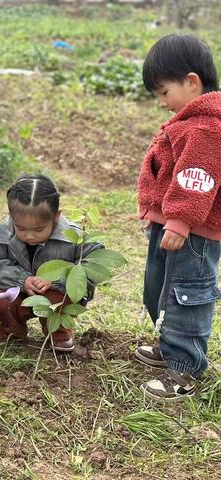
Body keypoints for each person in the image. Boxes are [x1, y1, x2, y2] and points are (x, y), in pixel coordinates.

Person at [135, 34, 221, 402]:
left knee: (189, 292)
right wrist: (156, 213)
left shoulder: (206, 128)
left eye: (164, 92)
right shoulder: (188, 121)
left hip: (194, 232)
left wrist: (181, 221)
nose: (162, 103)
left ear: (191, 82)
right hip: (173, 225)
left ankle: (184, 368)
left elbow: (195, 178)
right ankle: (171, 347)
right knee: (164, 285)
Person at [0, 174, 101, 350]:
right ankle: (12, 330)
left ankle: (58, 331)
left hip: (55, 292)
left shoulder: (74, 238)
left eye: (38, 229)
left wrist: (56, 281)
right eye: (21, 228)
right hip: (18, 291)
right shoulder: (3, 234)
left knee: (61, 301)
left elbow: (91, 267)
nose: (29, 236)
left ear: (56, 216)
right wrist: (22, 280)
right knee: (2, 301)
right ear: (12, 217)